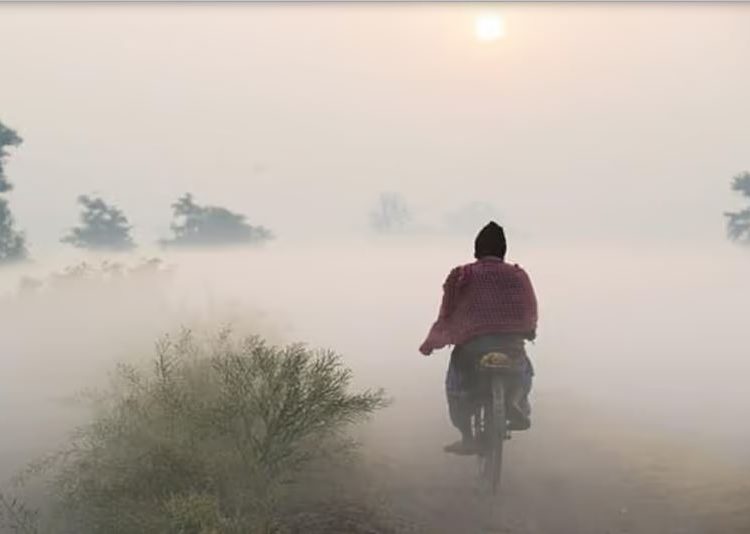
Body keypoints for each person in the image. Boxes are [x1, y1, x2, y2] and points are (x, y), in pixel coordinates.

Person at [419, 222, 538, 455]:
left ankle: (467, 437)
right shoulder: (518, 275)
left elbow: (447, 313)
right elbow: (530, 307)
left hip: (472, 348)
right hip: (510, 345)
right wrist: (529, 330)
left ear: (476, 250)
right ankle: (515, 402)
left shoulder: (462, 275)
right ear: (503, 251)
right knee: (523, 370)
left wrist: (431, 342)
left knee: (456, 385)